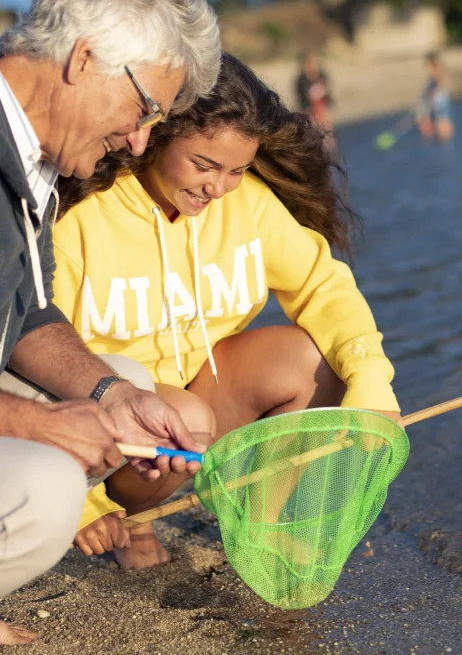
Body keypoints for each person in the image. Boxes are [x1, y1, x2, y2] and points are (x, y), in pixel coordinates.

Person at [52, 53, 402, 570]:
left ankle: (256, 518)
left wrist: (373, 381)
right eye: (204, 165)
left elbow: (323, 286)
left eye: (237, 169)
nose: (218, 188)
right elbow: (43, 361)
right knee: (184, 415)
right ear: (153, 135)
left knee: (312, 358)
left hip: (205, 394)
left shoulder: (249, 204)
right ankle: (132, 519)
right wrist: (85, 505)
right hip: (109, 420)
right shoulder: (82, 219)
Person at [0, 0, 221, 645]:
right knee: (49, 487)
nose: (137, 141)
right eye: (145, 108)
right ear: (84, 58)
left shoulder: (32, 163)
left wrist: (111, 401)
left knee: (122, 380)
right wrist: (38, 427)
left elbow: (29, 318)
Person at [417, 51, 454, 142]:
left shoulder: (437, 72)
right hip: (438, 99)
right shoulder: (434, 73)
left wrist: (433, 90)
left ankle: (445, 137)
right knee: (440, 119)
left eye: (427, 64)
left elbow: (439, 83)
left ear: (431, 63)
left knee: (441, 119)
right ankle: (441, 137)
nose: (426, 67)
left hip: (440, 98)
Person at [295, 50, 335, 135]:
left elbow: (328, 93)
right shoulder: (301, 80)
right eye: (308, 64)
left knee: (327, 134)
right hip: (309, 110)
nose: (311, 66)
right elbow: (303, 97)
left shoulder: (322, 75)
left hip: (322, 109)